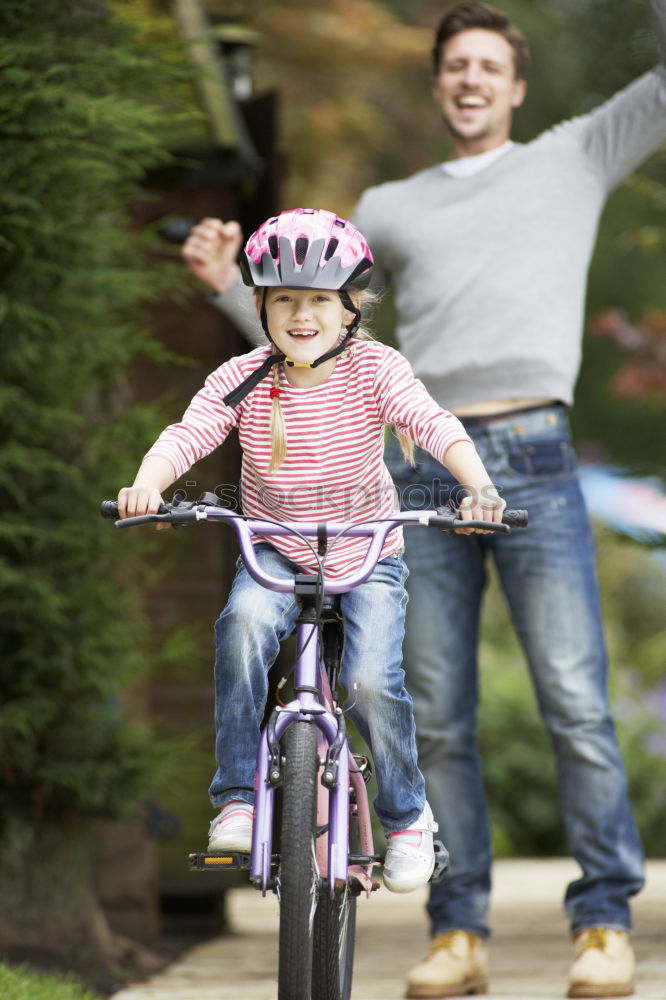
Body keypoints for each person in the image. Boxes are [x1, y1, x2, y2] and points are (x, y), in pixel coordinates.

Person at [180, 4, 666, 994]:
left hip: (531, 457)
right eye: (455, 65)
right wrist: (233, 285)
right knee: (431, 708)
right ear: (438, 82)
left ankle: (604, 922)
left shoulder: (573, 156)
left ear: (517, 87)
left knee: (574, 701)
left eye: (491, 65)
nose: (472, 79)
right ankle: (458, 930)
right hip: (414, 472)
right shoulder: (392, 205)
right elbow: (320, 327)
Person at [118, 208, 507, 896]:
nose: (302, 315)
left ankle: (408, 818)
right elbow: (189, 433)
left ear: (351, 308)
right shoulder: (241, 377)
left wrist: (478, 486)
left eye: (320, 300)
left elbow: (433, 423)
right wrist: (148, 485)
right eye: (284, 299)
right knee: (241, 632)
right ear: (260, 305)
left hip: (366, 554)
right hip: (273, 552)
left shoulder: (375, 371)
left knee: (367, 681)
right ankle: (237, 798)